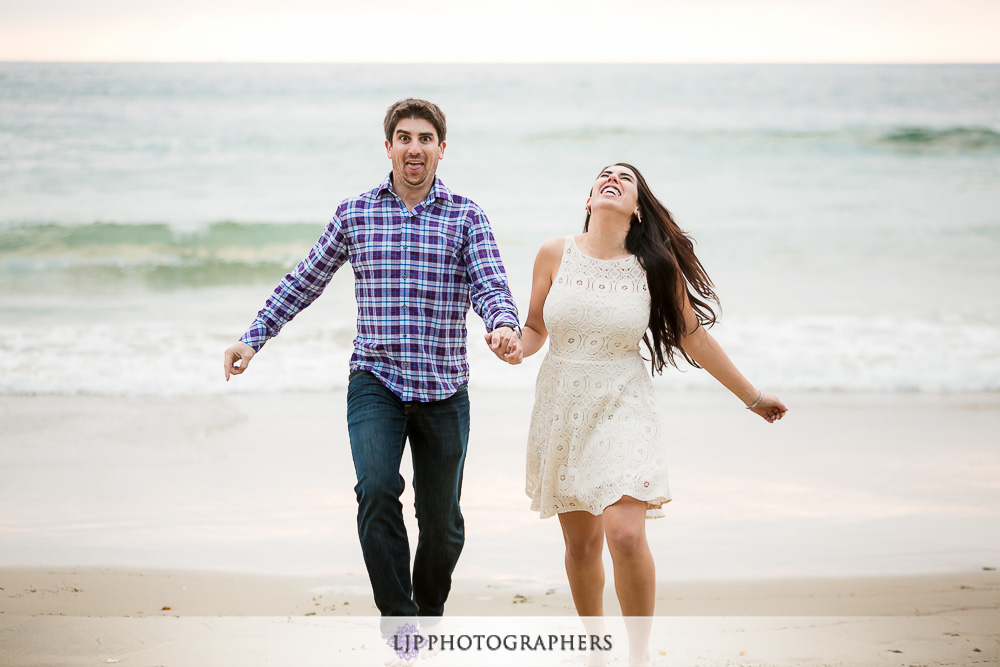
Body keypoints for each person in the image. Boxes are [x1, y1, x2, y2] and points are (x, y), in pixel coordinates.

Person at [222, 99, 523, 636]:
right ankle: (400, 624)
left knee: (443, 525)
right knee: (377, 489)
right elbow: (305, 280)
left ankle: (428, 612)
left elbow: (491, 283)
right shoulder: (355, 213)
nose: (414, 147)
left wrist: (503, 324)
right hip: (375, 381)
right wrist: (253, 337)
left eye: (425, 138)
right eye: (404, 137)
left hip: (444, 386)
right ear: (388, 148)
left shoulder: (466, 215)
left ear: (441, 149)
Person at [519, 163, 787, 666]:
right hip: (562, 409)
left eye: (625, 177)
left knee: (624, 534)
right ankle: (598, 653)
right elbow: (535, 330)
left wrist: (751, 397)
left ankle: (638, 656)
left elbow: (693, 337)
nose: (612, 179)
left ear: (637, 206)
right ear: (589, 199)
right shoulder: (554, 253)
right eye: (604, 174)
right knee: (581, 549)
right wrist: (514, 346)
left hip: (623, 403)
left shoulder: (654, 266)